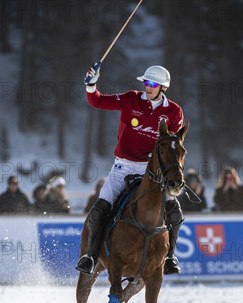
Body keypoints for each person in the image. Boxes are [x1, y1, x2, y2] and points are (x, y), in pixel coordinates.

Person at [77, 64, 186, 275]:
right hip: (124, 166)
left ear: (163, 87)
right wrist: (91, 85)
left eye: (153, 83)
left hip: (152, 171)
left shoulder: (174, 111)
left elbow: (174, 144)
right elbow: (98, 101)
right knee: (100, 208)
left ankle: (170, 256)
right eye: (146, 82)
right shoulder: (131, 99)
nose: (148, 87)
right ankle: (90, 256)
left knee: (174, 212)